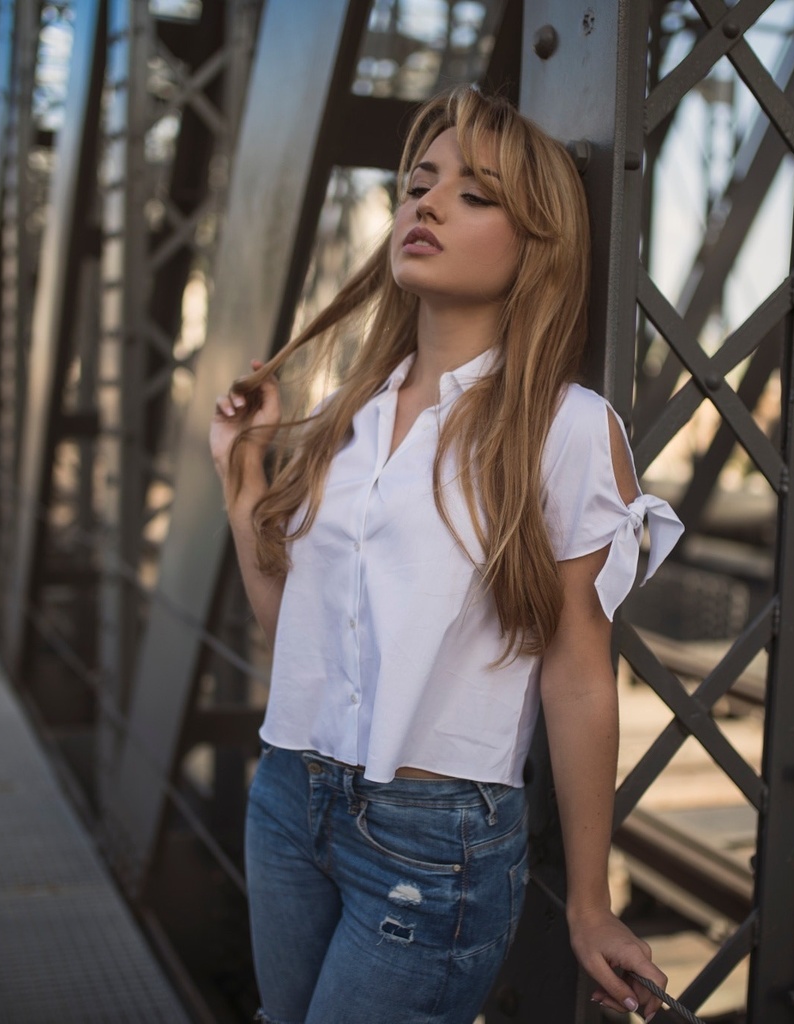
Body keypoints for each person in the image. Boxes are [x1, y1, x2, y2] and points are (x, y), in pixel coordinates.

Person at [209, 85, 683, 1024]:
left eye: (475, 194)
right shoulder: (351, 412)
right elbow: (294, 638)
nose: (425, 203)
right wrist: (241, 471)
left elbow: (581, 673)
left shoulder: (567, 430)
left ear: (536, 243)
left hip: (432, 846)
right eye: (420, 182)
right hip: (288, 799)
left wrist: (590, 903)